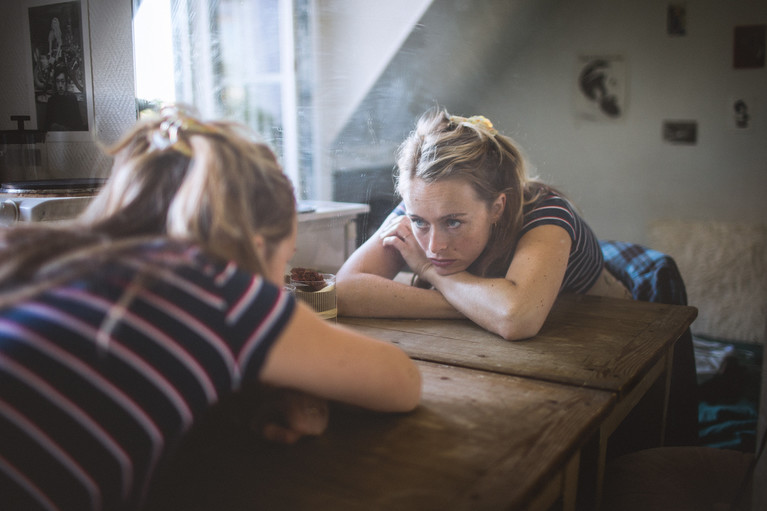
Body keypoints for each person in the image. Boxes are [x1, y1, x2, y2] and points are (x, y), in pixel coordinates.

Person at [0, 106, 421, 511]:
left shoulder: (31, 254)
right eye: (285, 259)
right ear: (255, 247)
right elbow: (401, 382)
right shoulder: (218, 288)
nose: (281, 279)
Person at [336, 107, 630, 341]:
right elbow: (344, 290)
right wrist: (479, 307)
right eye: (419, 222)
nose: (434, 245)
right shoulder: (426, 201)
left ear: (497, 207)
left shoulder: (546, 213)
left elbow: (516, 319)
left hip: (622, 327)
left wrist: (431, 273)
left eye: (453, 222)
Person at [45, 65, 85, 131]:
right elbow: (47, 126)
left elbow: (79, 124)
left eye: (62, 81)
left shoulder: (72, 98)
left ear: (66, 82)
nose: (60, 85)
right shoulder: (51, 101)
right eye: (58, 82)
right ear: (55, 83)